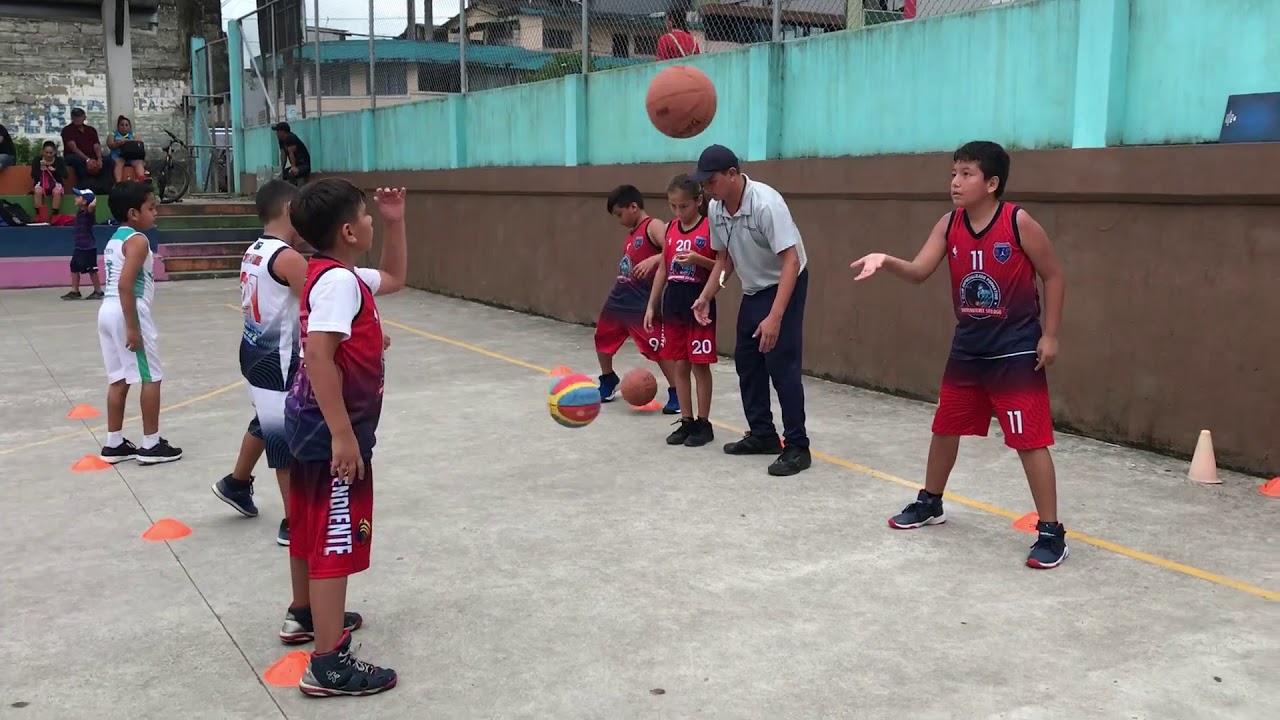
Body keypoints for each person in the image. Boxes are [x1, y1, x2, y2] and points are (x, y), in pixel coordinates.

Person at [848, 140, 1068, 569]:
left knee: (1029, 441)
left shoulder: (1018, 222)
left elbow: (1054, 276)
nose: (955, 182)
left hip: (1016, 349)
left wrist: (1052, 336)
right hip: (968, 346)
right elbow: (918, 271)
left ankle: (1051, 531)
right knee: (945, 428)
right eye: (954, 173)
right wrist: (886, 260)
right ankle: (930, 502)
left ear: (992, 182)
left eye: (966, 174)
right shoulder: (949, 225)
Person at [282, 178, 407, 696]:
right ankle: (328, 664)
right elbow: (318, 355)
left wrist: (397, 220)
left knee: (315, 529)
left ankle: (310, 616)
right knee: (335, 537)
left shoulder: (340, 274)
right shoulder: (337, 282)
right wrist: (342, 436)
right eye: (370, 216)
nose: (374, 221)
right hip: (330, 428)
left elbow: (398, 276)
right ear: (350, 231)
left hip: (314, 423)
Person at [689, 145, 812, 477]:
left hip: (787, 282)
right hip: (754, 288)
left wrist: (775, 317)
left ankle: (798, 446)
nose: (706, 189)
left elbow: (791, 261)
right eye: (703, 183)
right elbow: (724, 260)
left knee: (781, 364)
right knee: (748, 360)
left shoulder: (766, 204)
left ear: (732, 174)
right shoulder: (716, 209)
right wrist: (705, 295)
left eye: (711, 181)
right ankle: (762, 435)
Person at [212, 180, 307, 547]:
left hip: (252, 350)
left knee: (266, 420)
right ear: (288, 210)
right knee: (284, 437)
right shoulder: (287, 257)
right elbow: (317, 303)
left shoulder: (255, 250)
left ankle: (236, 483)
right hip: (276, 358)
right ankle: (293, 520)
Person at [95, 180, 182, 465]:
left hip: (107, 312)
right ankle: (151, 444)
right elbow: (125, 285)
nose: (155, 213)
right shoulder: (138, 240)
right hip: (127, 310)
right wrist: (133, 327)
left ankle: (114, 442)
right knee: (151, 376)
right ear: (134, 213)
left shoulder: (114, 239)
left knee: (118, 378)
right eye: (151, 208)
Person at [646, 174, 717, 447]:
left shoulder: (710, 228)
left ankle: (703, 422)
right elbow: (664, 268)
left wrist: (700, 259)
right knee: (679, 362)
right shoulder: (671, 229)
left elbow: (724, 267)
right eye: (673, 206)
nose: (678, 212)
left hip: (698, 301)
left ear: (698, 201)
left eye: (684, 206)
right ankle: (686, 420)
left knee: (700, 365)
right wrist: (652, 304)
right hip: (673, 301)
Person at [595, 184, 680, 413]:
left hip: (642, 299)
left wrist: (654, 261)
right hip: (621, 295)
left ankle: (677, 392)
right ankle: (608, 379)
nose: (619, 220)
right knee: (602, 337)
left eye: (620, 214)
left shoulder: (653, 226)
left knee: (657, 348)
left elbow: (674, 250)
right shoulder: (631, 234)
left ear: (633, 207)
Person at [63, 189, 103, 300]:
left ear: (85, 201)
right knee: (74, 267)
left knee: (92, 269)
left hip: (88, 246)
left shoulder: (88, 212)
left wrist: (93, 198)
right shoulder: (80, 211)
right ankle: (75, 291)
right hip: (79, 246)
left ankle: (98, 291)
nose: (75, 198)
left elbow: (91, 206)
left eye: (78, 197)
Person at [61, 108, 105, 190]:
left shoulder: (91, 130)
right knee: (79, 161)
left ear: (84, 117)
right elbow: (73, 148)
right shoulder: (67, 130)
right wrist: (87, 160)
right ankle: (83, 186)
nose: (77, 119)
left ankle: (104, 186)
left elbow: (96, 145)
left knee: (108, 161)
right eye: (75, 117)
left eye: (79, 116)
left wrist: (99, 158)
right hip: (74, 156)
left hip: (91, 155)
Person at [31, 141, 67, 224]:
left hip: (55, 184)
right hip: (41, 183)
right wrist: (40, 170)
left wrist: (54, 170)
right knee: (37, 191)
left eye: (51, 153)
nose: (48, 155)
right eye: (46, 152)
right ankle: (39, 215)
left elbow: (65, 175)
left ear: (54, 152)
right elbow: (33, 175)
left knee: (57, 191)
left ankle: (55, 215)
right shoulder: (37, 160)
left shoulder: (59, 161)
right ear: (42, 152)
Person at [107, 115, 148, 184]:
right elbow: (110, 145)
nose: (124, 127)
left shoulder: (133, 135)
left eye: (126, 125)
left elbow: (139, 143)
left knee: (139, 163)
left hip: (131, 157)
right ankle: (118, 182)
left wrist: (128, 141)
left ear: (129, 127)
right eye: (122, 125)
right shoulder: (113, 135)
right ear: (118, 126)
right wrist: (119, 143)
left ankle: (142, 179)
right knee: (119, 163)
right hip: (118, 156)